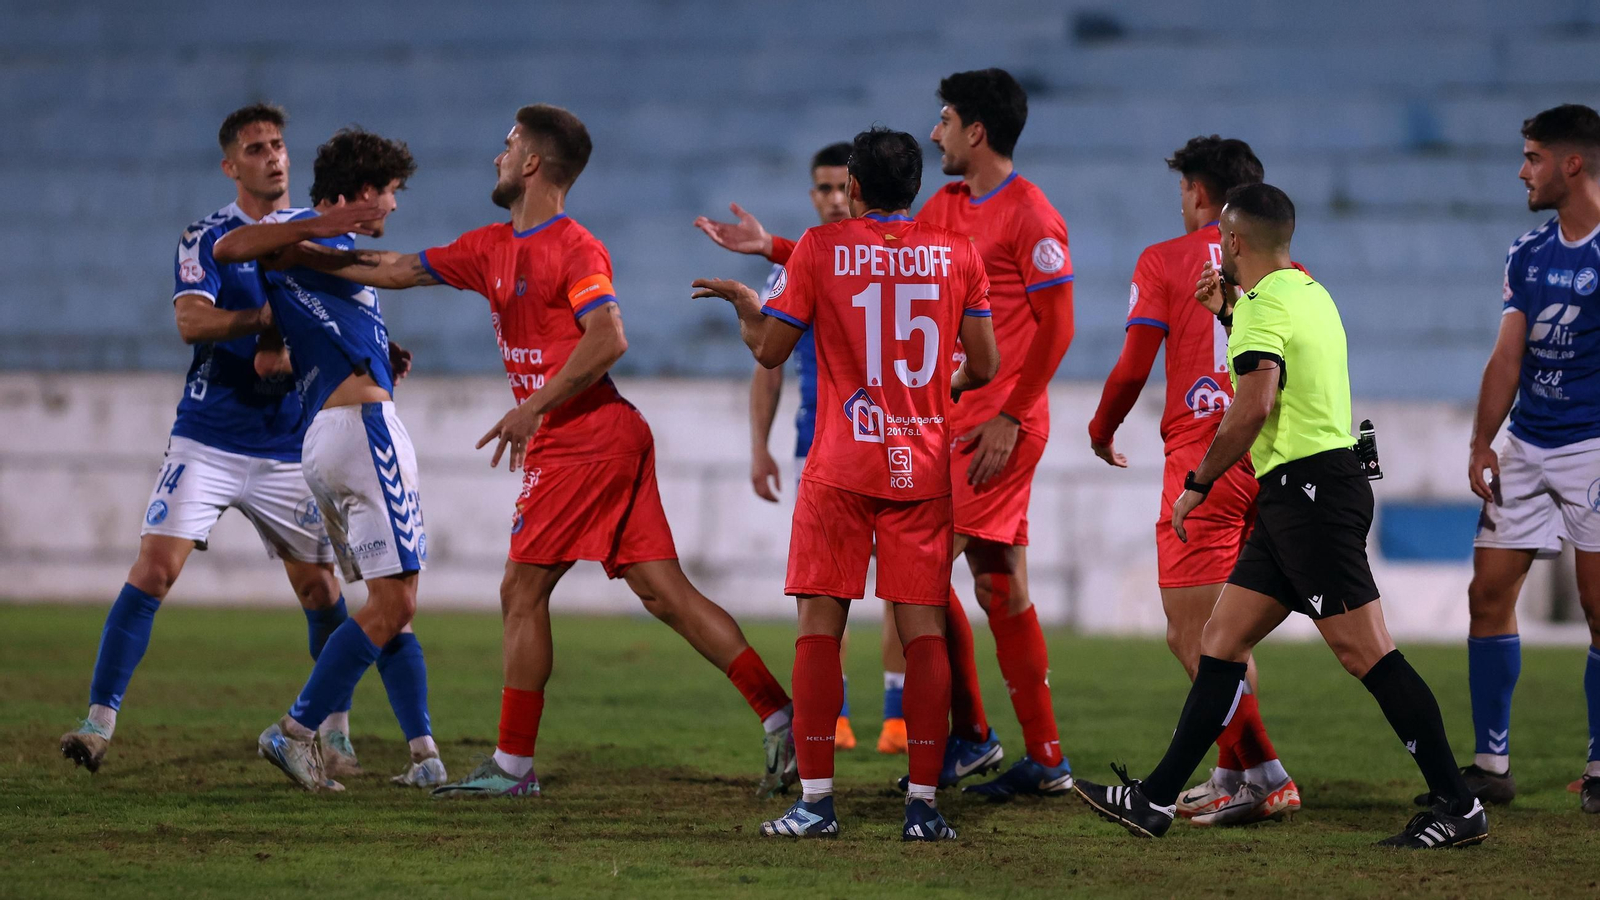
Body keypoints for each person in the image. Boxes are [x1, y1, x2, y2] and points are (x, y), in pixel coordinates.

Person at [292, 104, 797, 799]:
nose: (496, 157)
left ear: (532, 163)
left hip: (583, 440)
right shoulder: (490, 247)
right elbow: (395, 266)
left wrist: (533, 406)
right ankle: (780, 716)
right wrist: (294, 251)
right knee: (666, 595)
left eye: (507, 146)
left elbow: (608, 336)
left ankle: (513, 765)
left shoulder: (575, 246)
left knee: (521, 591)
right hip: (604, 438)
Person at [695, 68, 1077, 799]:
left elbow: (1058, 329)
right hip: (950, 420)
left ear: (977, 131)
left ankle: (962, 740)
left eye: (945, 119)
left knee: (927, 593)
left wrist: (1007, 412)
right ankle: (1034, 752)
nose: (936, 132)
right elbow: (880, 257)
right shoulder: (949, 208)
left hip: (990, 426)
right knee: (998, 584)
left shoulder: (1030, 215)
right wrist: (772, 244)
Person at [1073, 183, 1489, 849]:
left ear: (1234, 242)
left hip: (1309, 494)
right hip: (1301, 492)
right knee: (1222, 640)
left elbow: (1256, 401)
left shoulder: (1264, 305)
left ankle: (1459, 806)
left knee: (1368, 653)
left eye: (1223, 246)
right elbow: (1278, 371)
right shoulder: (1309, 294)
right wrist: (1224, 316)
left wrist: (1199, 482)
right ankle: (1151, 800)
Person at [59, 105, 437, 788]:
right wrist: (266, 321)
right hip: (211, 434)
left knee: (322, 589)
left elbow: (323, 314)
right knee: (155, 569)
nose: (273, 157)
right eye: (256, 148)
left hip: (293, 438)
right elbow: (192, 321)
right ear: (232, 164)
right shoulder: (219, 236)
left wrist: (363, 347)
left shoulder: (322, 243)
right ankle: (98, 721)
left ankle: (331, 734)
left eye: (279, 145)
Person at [692, 126, 1000, 841]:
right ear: (916, 188)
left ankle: (817, 803)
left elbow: (771, 349)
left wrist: (746, 310)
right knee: (923, 632)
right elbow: (984, 367)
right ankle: (923, 807)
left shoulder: (820, 250)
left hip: (839, 463)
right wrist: (932, 391)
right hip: (922, 464)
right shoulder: (959, 254)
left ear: (853, 189)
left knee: (819, 629)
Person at [209, 127, 443, 792]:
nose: (391, 207)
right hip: (360, 430)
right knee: (394, 602)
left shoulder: (318, 252)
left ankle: (424, 755)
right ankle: (297, 731)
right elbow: (229, 245)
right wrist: (330, 218)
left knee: (388, 603)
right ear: (362, 191)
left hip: (330, 433)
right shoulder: (306, 231)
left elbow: (269, 357)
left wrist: (366, 348)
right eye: (389, 193)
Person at [1087, 136, 1299, 826]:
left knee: (1192, 634)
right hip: (1269, 455)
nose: (1181, 202)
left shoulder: (1165, 260)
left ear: (1202, 194)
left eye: (1184, 190)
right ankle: (1236, 772)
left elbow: (1131, 364)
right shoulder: (1287, 269)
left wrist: (1101, 428)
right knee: (1228, 630)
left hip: (1203, 454)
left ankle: (1263, 771)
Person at [695, 142, 909, 755]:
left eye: (844, 187)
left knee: (902, 585)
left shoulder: (894, 258)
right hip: (818, 440)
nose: (835, 198)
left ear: (860, 191)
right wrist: (759, 446)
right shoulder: (800, 265)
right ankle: (835, 713)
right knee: (825, 586)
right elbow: (769, 365)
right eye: (823, 188)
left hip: (893, 439)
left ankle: (897, 715)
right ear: (813, 195)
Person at [1461, 103, 1600, 814]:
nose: (1523, 170)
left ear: (1572, 164)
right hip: (1526, 440)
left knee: (1598, 606)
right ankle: (1491, 764)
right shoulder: (1527, 251)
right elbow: (1507, 353)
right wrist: (1484, 440)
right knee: (1487, 594)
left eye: (1534, 157)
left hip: (1593, 446)